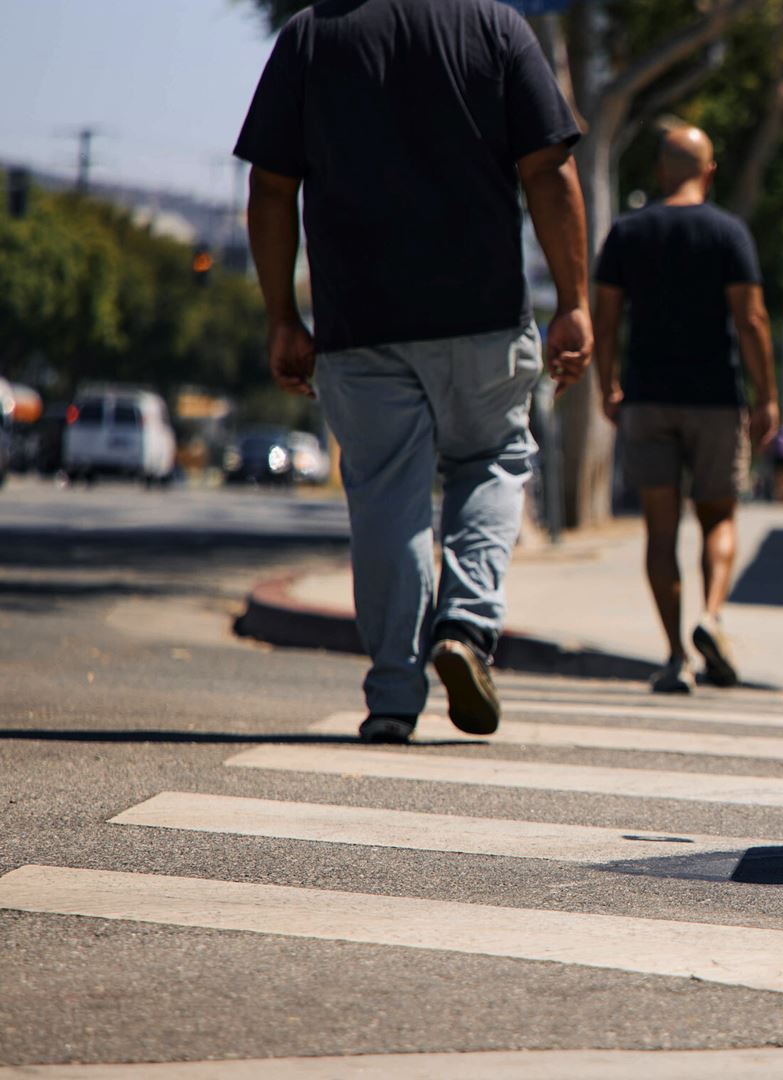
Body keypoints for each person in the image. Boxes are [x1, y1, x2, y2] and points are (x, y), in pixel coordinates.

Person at [236, 0, 592, 743]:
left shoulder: (310, 35)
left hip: (359, 325)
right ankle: (465, 624)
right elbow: (549, 172)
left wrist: (281, 318)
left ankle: (394, 694)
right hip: (481, 320)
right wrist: (574, 303)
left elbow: (272, 189)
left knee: (387, 497)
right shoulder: (496, 27)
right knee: (492, 460)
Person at [593, 126, 778, 694]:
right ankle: (712, 616)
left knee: (659, 530)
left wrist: (609, 385)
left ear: (661, 170)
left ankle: (675, 656)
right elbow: (750, 321)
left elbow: (604, 320)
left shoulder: (626, 233)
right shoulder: (727, 233)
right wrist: (767, 394)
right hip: (715, 399)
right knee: (718, 518)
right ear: (710, 169)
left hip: (647, 399)